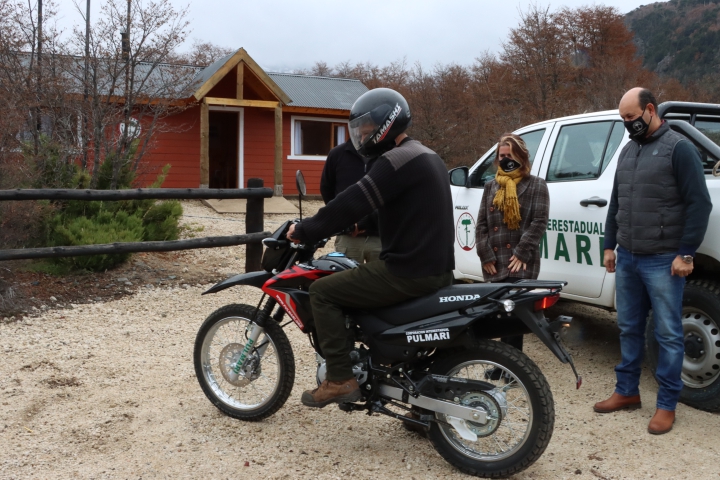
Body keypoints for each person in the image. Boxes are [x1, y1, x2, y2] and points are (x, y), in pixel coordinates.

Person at [286, 88, 455, 408]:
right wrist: (358, 225)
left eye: (366, 129)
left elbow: (349, 203)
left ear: (385, 125)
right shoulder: (425, 155)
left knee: (323, 292)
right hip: (436, 269)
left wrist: (306, 230)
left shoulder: (396, 160)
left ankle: (339, 379)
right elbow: (389, 209)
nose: (361, 136)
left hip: (407, 270)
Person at [594, 87, 712, 435]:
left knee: (669, 334)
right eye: (623, 120)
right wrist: (609, 245)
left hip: (663, 259)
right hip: (628, 256)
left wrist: (686, 253)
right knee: (628, 327)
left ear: (649, 110)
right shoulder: (628, 151)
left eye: (631, 118)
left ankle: (667, 404)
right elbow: (617, 202)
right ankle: (627, 392)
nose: (627, 125)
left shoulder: (679, 149)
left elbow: (699, 204)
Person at [475, 133, 550, 355]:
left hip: (520, 261)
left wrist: (521, 252)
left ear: (522, 156)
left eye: (511, 155)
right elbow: (481, 223)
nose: (506, 159)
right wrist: (485, 253)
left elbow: (539, 221)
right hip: (494, 261)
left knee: (514, 314)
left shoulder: (536, 185)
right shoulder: (491, 186)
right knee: (497, 313)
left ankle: (511, 364)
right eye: (502, 155)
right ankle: (501, 362)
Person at [320, 138, 381, 263]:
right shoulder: (337, 153)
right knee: (345, 280)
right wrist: (341, 217)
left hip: (381, 236)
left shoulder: (389, 154)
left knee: (381, 282)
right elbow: (327, 189)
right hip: (348, 236)